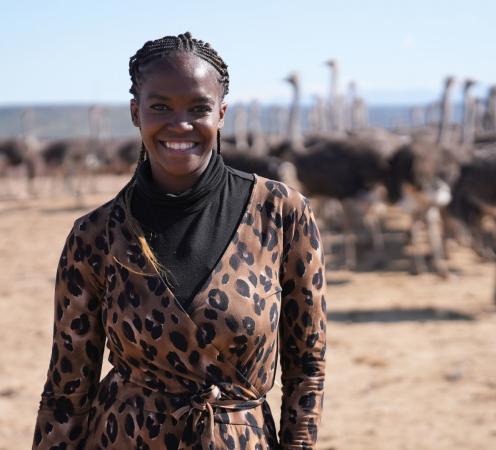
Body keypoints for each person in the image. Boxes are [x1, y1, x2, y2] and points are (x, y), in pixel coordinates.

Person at [32, 32, 326, 449]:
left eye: (198, 108)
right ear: (136, 113)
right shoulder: (95, 235)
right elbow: (66, 390)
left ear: (221, 114)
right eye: (160, 107)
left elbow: (307, 369)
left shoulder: (281, 213)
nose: (180, 124)